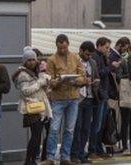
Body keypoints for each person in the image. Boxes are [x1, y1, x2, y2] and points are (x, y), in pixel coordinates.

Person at [45, 34, 88, 165]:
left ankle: (65, 157)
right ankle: (50, 157)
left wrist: (75, 81)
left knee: (69, 129)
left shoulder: (75, 57)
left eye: (64, 47)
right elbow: (49, 81)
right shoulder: (51, 59)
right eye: (60, 48)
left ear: (68, 44)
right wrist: (58, 81)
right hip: (58, 98)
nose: (62, 50)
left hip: (73, 98)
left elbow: (83, 76)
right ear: (56, 46)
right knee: (54, 129)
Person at [16, 48, 51, 165]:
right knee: (36, 136)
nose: (31, 62)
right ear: (24, 61)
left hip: (40, 107)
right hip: (31, 107)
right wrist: (40, 82)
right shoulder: (22, 74)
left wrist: (46, 82)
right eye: (29, 60)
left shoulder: (36, 72)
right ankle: (28, 161)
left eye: (33, 60)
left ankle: (31, 160)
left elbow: (42, 90)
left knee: (37, 136)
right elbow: (25, 91)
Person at [89, 37, 116, 160]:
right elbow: (99, 73)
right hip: (99, 95)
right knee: (97, 124)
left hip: (104, 94)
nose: (108, 50)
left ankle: (98, 148)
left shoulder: (103, 57)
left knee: (101, 124)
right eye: (106, 47)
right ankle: (93, 149)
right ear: (99, 46)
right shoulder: (95, 57)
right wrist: (111, 67)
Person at [72, 41, 99, 164]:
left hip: (89, 97)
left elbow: (97, 76)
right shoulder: (74, 61)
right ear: (81, 50)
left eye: (90, 55)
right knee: (76, 127)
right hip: (77, 98)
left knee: (86, 128)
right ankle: (74, 154)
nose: (89, 57)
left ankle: (81, 153)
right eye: (87, 54)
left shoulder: (93, 62)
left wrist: (95, 82)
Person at [115, 38, 131, 153]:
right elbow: (119, 77)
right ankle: (125, 145)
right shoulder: (123, 61)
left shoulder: (125, 61)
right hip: (126, 94)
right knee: (125, 121)